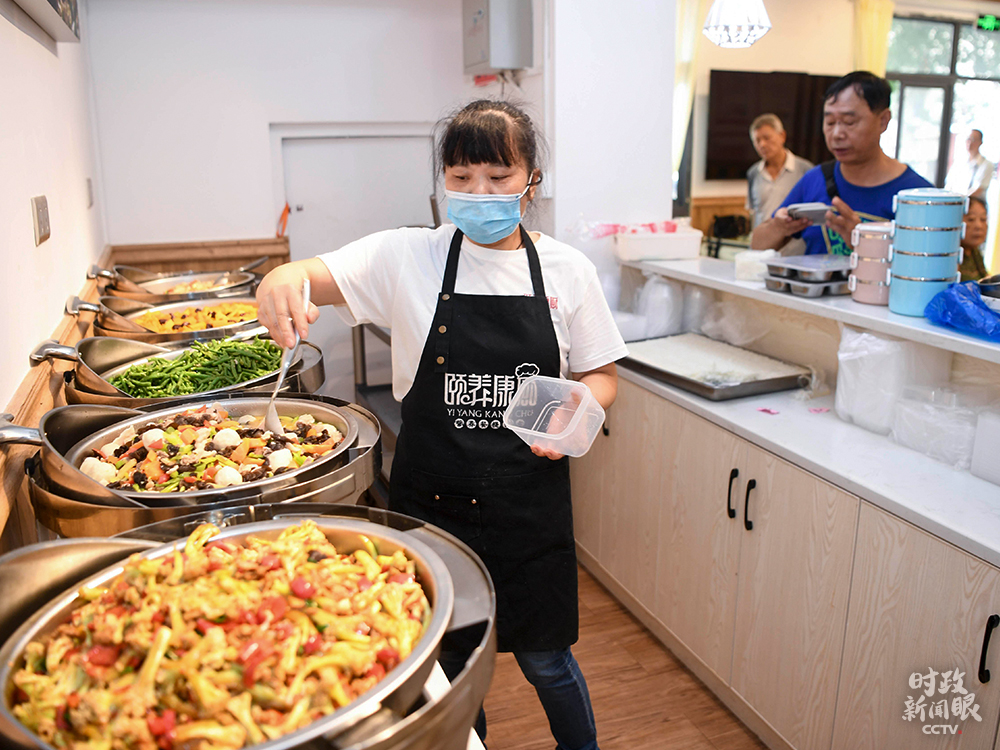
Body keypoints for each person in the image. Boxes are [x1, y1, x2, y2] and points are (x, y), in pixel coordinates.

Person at [256, 99, 627, 750]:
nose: (478, 192)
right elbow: (314, 275)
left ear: (531, 180)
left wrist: (577, 409)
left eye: (498, 177)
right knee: (449, 668)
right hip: (433, 509)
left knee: (546, 660)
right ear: (444, 181)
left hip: (527, 507)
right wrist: (282, 276)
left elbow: (603, 375)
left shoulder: (567, 270)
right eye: (461, 178)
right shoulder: (409, 256)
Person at [751, 71, 932, 256]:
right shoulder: (815, 179)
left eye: (849, 122)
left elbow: (931, 265)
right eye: (830, 122)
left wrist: (865, 244)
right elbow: (757, 245)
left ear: (883, 121)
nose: (837, 134)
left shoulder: (918, 195)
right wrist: (778, 227)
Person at [745, 113, 813, 229]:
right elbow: (754, 212)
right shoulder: (753, 173)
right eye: (757, 140)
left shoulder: (806, 170)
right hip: (763, 239)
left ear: (782, 136)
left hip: (796, 239)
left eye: (767, 138)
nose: (762, 144)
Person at [946, 129, 995, 201]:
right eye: (968, 139)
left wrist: (960, 200)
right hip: (955, 202)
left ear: (980, 142)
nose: (970, 142)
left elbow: (977, 190)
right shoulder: (959, 162)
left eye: (974, 140)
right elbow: (949, 185)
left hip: (973, 203)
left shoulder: (987, 164)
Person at [960, 195, 990, 281]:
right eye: (971, 219)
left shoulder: (975, 252)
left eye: (983, 219)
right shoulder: (951, 258)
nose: (979, 226)